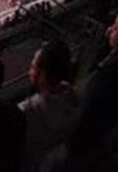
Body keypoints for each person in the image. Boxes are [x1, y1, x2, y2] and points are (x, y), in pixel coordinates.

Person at [67, 5, 118, 164]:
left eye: (115, 27)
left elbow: (85, 106)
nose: (109, 30)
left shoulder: (112, 72)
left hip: (83, 139)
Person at [18, 41, 79, 172]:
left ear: (43, 76)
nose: (30, 71)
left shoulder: (25, 112)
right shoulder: (74, 98)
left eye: (33, 66)